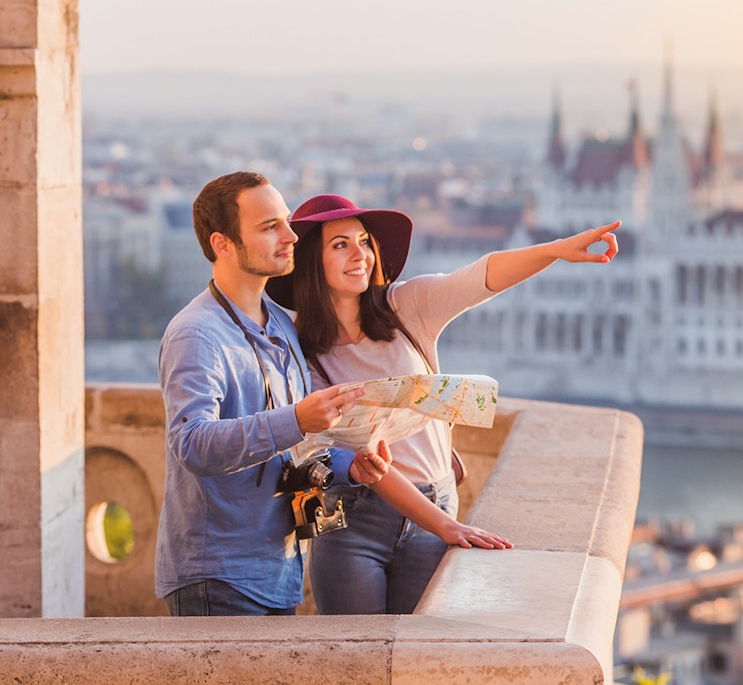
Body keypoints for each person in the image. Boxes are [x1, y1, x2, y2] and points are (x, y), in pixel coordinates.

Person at [266, 193, 620, 614]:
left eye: (363, 241)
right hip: (353, 519)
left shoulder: (406, 305)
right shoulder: (298, 347)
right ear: (310, 261)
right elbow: (356, 461)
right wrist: (446, 526)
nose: (359, 254)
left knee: (417, 658)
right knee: (358, 660)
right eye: (339, 245)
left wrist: (556, 250)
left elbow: (479, 277)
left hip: (435, 501)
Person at [155, 171, 391, 616]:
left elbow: (296, 445)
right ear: (222, 244)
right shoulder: (195, 334)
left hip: (278, 571)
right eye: (270, 227)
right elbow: (191, 444)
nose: (290, 236)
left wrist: (349, 465)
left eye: (285, 221)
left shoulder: (280, 323)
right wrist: (297, 419)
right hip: (218, 576)